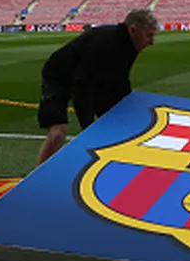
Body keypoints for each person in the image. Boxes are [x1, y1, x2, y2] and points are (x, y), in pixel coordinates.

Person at [36, 8, 159, 166]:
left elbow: (120, 81)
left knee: (114, 121)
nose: (152, 42)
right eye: (149, 35)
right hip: (59, 77)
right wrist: (89, 128)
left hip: (89, 79)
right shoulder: (105, 43)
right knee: (57, 133)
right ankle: (37, 174)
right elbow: (82, 87)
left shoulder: (131, 45)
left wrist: (127, 109)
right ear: (133, 30)